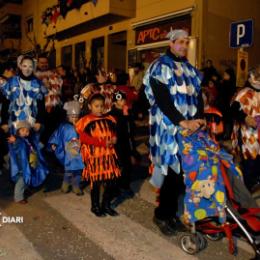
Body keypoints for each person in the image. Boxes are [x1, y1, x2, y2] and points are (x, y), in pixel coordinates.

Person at [143, 29, 206, 235]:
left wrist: (198, 118)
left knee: (183, 174)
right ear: (171, 43)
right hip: (168, 130)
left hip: (188, 129)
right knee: (171, 173)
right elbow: (163, 101)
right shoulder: (159, 67)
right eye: (180, 42)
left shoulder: (189, 68)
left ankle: (170, 213)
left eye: (186, 42)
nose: (184, 46)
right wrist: (182, 122)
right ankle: (161, 214)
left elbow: (197, 97)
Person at [76, 93, 121, 217]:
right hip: (95, 156)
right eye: (96, 106)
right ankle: (95, 206)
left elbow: (113, 132)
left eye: (102, 106)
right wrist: (100, 143)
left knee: (111, 181)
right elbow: (84, 139)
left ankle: (106, 205)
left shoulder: (109, 119)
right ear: (90, 106)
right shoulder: (85, 121)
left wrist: (114, 138)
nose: (100, 109)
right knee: (96, 182)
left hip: (109, 155)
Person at [231, 65, 260, 191]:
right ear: (252, 77)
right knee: (249, 163)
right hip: (247, 137)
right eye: (257, 75)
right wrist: (245, 117)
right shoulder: (244, 92)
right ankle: (247, 192)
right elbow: (232, 110)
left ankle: (255, 183)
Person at [48, 100, 84, 195]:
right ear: (67, 116)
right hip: (67, 150)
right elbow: (56, 135)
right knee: (69, 169)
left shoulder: (81, 125)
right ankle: (65, 185)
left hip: (79, 150)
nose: (74, 118)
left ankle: (76, 186)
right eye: (72, 116)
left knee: (78, 169)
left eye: (76, 116)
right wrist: (54, 143)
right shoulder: (63, 126)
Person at [8, 120, 49, 203]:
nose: (25, 132)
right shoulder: (18, 140)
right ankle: (18, 197)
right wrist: (15, 141)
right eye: (22, 130)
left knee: (27, 178)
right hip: (21, 166)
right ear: (18, 131)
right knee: (22, 181)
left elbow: (36, 138)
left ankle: (24, 189)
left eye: (27, 131)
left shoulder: (27, 140)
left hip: (28, 164)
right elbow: (15, 148)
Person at [110, 90, 137, 198]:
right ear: (114, 102)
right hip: (116, 144)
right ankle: (115, 187)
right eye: (119, 99)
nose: (122, 101)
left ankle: (125, 186)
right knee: (117, 166)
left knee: (128, 166)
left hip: (127, 142)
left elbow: (131, 129)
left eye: (123, 99)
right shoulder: (111, 115)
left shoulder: (127, 112)